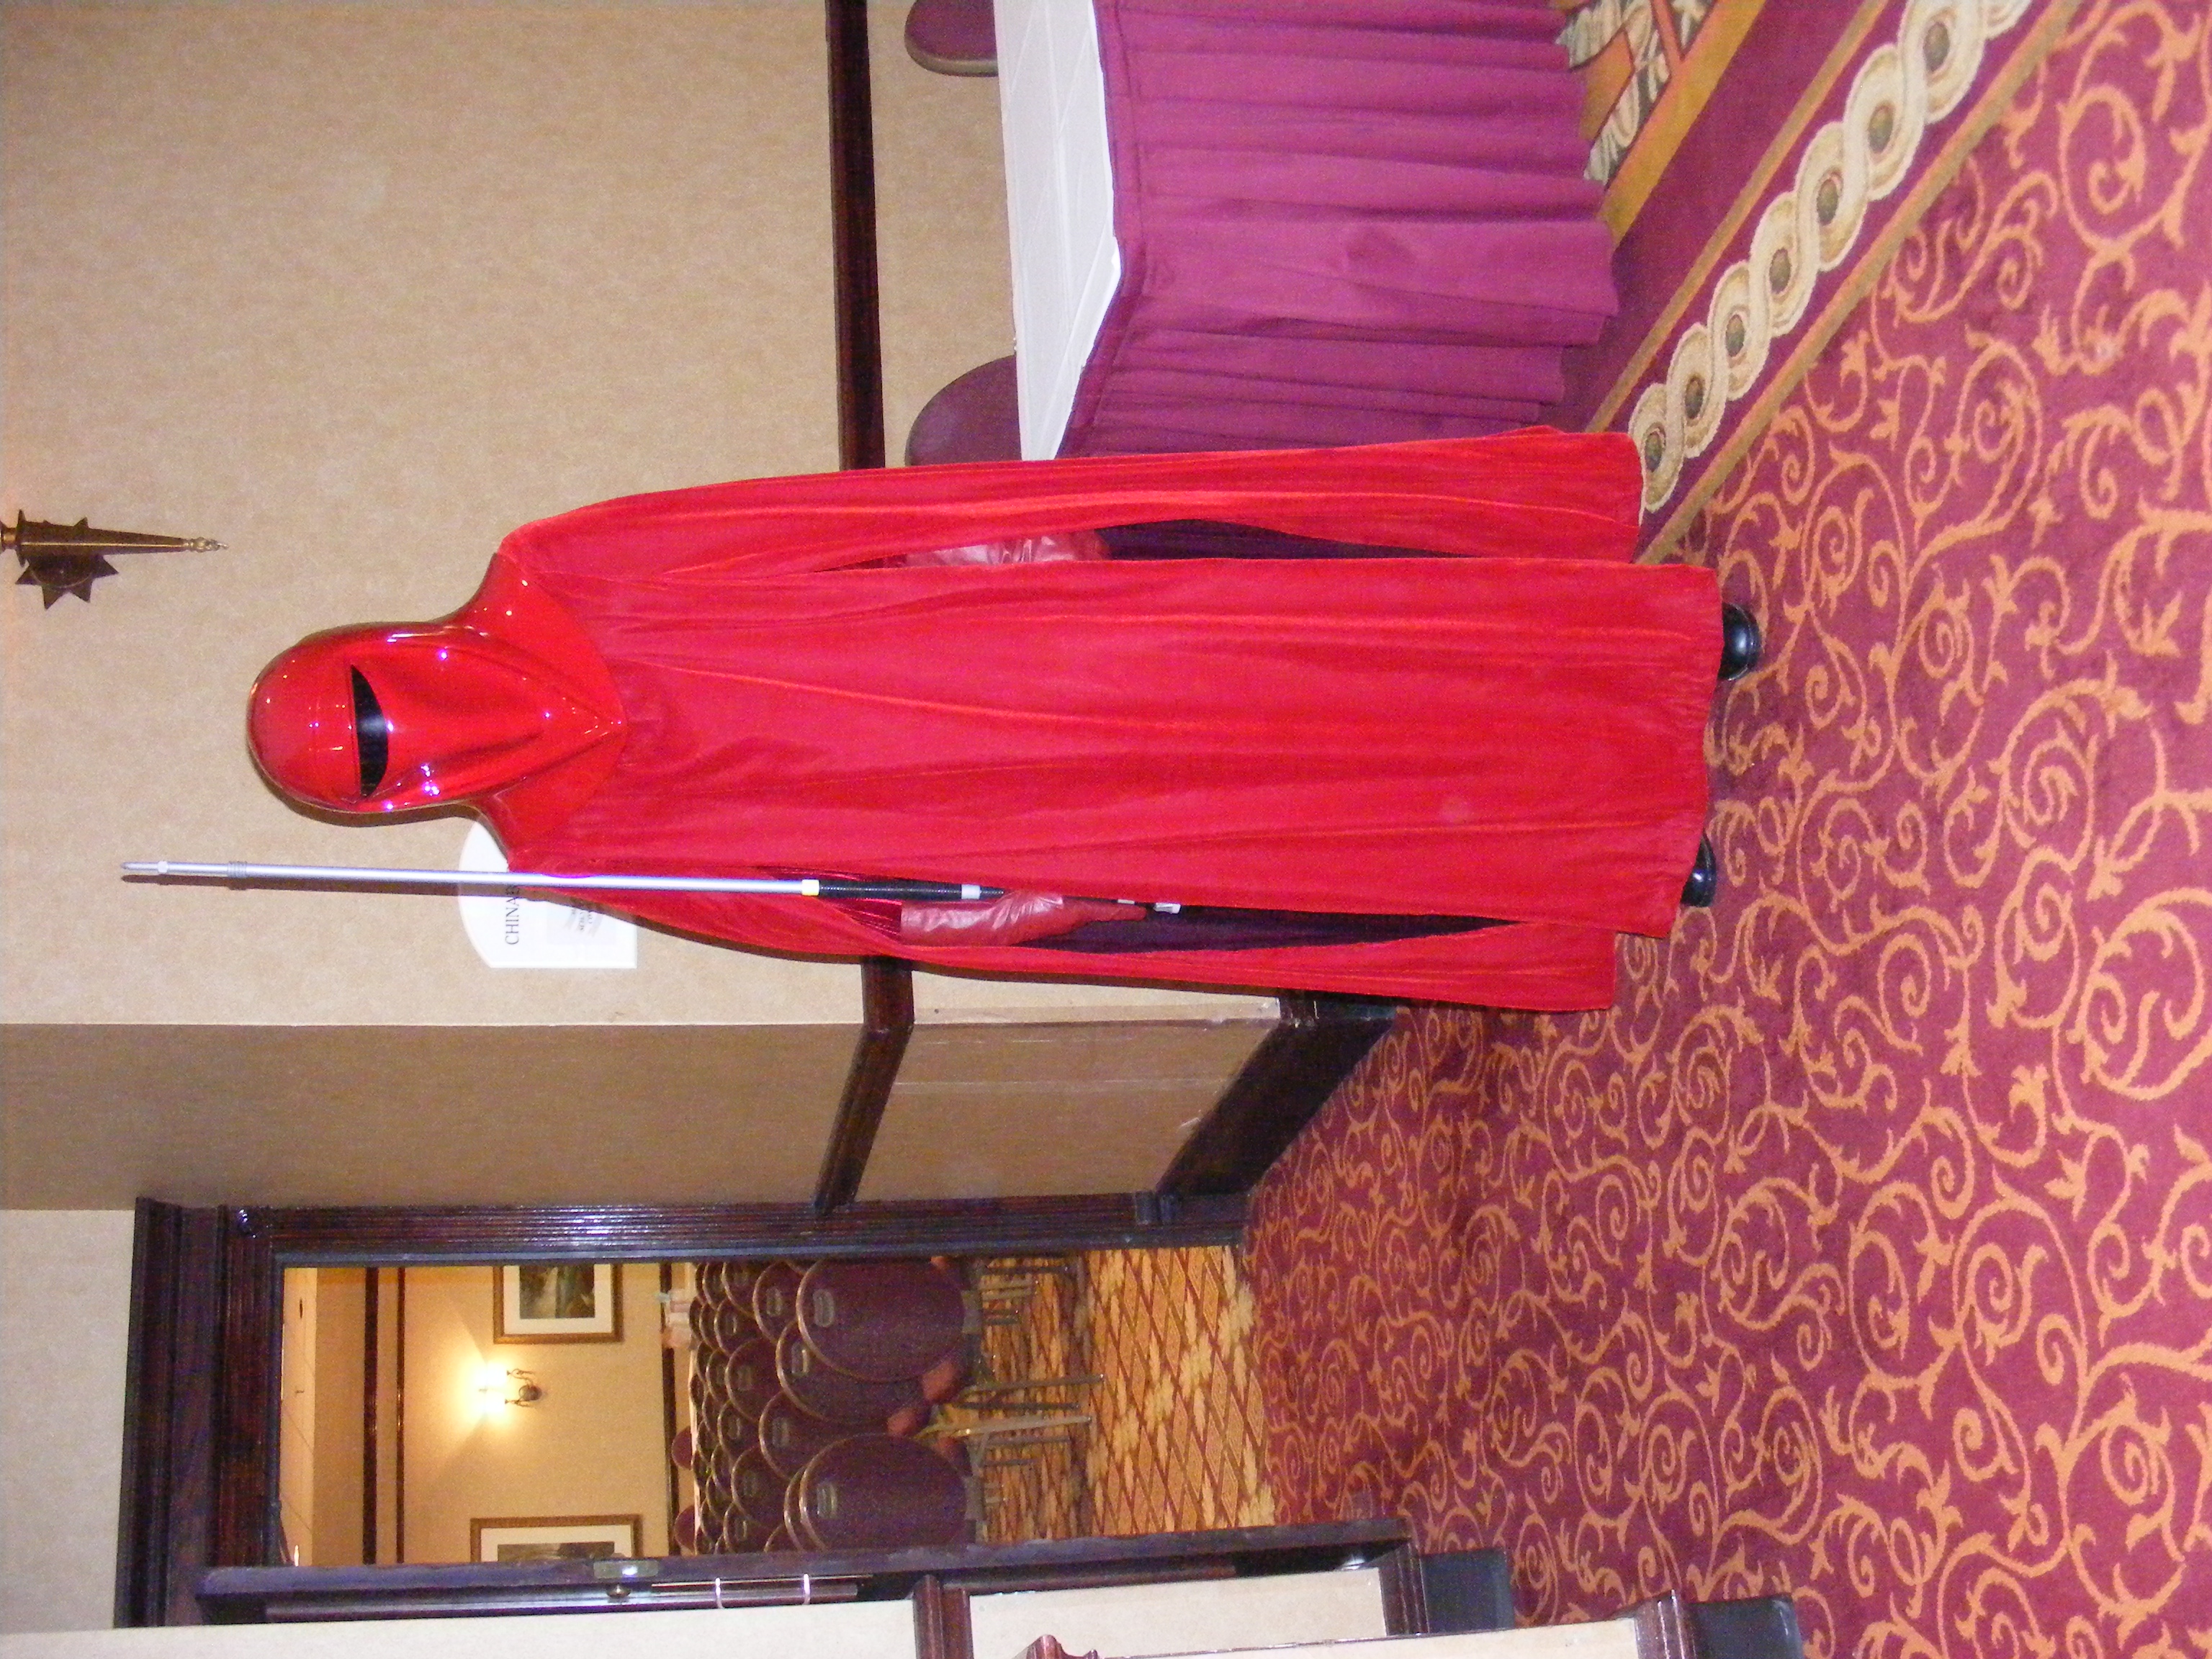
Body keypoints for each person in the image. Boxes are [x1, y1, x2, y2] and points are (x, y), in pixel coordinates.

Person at [248, 430, 1735, 1007]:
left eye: (385, 708)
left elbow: (794, 526)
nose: (421, 737)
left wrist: (1024, 552)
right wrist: (1000, 908)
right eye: (384, 764)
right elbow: (817, 915)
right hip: (1013, 811)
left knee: (1336, 662)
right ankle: (1622, 848)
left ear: (386, 643)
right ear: (392, 803)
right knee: (1308, 820)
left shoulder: (556, 568)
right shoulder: (570, 846)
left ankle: (1665, 648)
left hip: (1031, 638)